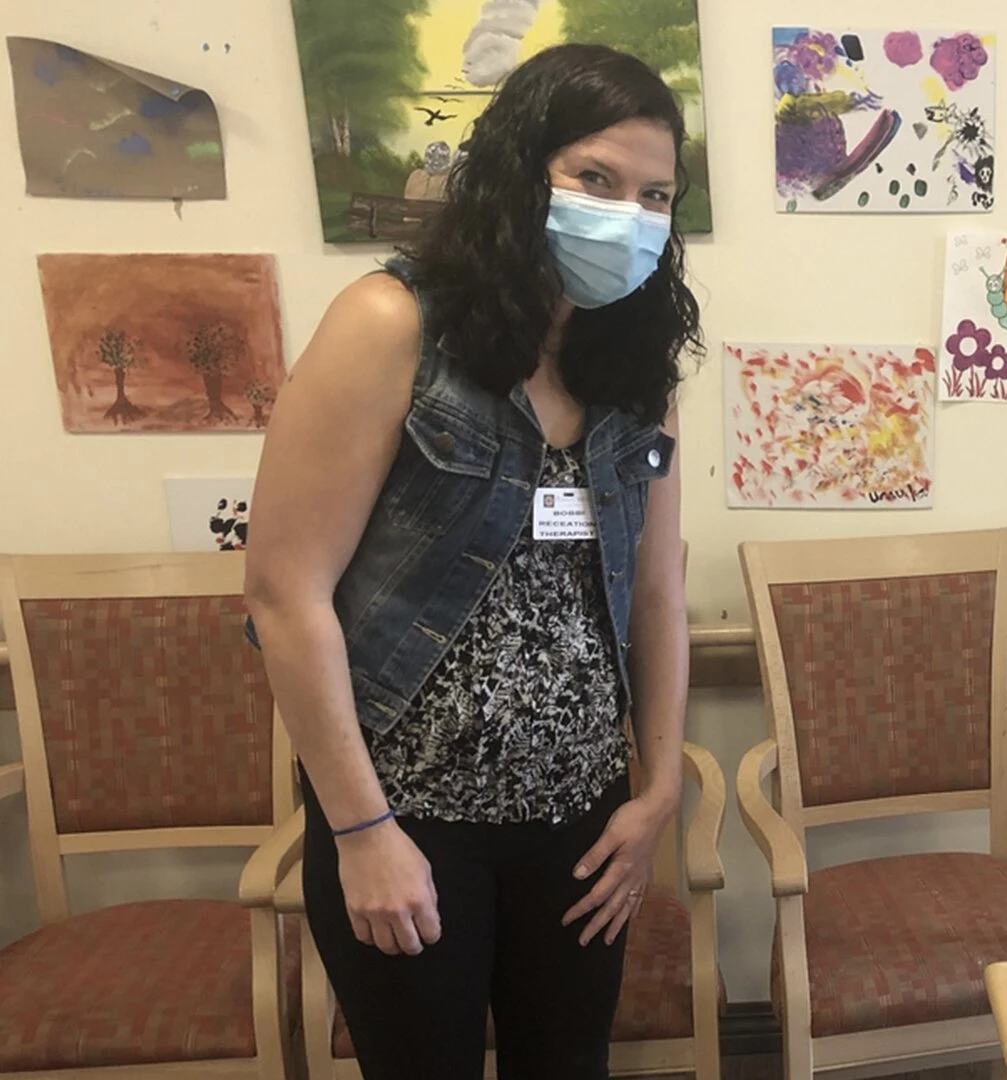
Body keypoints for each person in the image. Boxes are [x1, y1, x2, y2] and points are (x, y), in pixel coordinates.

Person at [243, 44, 699, 1080]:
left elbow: (661, 591)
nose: (627, 215)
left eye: (655, 194)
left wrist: (657, 790)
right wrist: (361, 831)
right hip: (409, 821)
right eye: (596, 179)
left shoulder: (635, 371)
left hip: (583, 823)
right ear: (518, 168)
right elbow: (284, 591)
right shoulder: (391, 323)